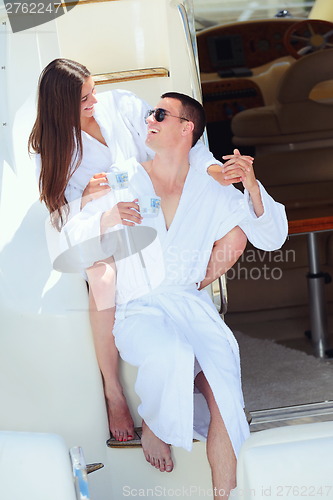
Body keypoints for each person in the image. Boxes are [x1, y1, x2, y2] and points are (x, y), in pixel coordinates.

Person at [66, 92, 288, 498]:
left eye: (161, 114)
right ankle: (156, 423)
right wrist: (106, 217)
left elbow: (271, 237)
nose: (149, 118)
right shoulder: (124, 176)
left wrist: (252, 185)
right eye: (151, 112)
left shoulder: (212, 187)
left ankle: (227, 495)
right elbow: (75, 236)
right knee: (171, 353)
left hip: (191, 305)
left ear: (187, 129)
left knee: (224, 389)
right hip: (139, 311)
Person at [28, 58, 250, 442]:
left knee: (229, 236)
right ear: (59, 104)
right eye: (84, 98)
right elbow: (61, 213)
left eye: (93, 90)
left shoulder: (122, 106)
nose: (94, 101)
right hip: (107, 224)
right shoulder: (49, 148)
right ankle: (113, 389)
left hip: (154, 207)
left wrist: (214, 171)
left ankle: (192, 320)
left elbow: (176, 140)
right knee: (103, 275)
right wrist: (88, 199)